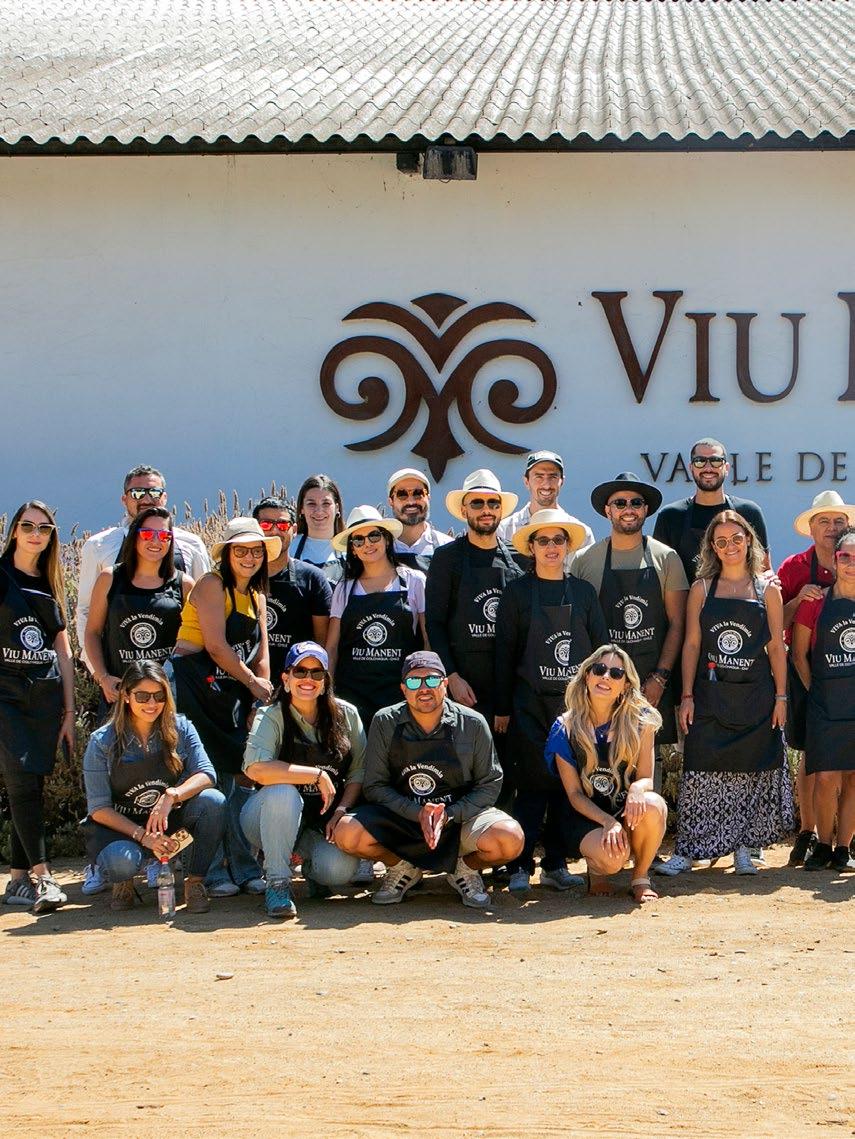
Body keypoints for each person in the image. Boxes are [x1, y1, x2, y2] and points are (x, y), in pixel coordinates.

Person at [660, 511, 793, 877]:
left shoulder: (768, 589)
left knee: (750, 771)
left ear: (748, 540)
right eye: (721, 541)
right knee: (700, 769)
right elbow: (691, 644)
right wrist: (687, 695)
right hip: (709, 697)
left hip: (756, 696)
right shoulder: (702, 589)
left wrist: (782, 698)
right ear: (713, 548)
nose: (730, 546)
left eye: (737, 538)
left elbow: (776, 648)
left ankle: (744, 850)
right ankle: (689, 850)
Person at [334, 652, 523, 908]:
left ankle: (464, 869)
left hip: (458, 821)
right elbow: (375, 785)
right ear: (403, 689)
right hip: (402, 820)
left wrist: (449, 814)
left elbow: (490, 782)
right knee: (347, 833)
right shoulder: (385, 721)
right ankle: (402, 868)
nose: (423, 688)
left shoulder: (472, 723)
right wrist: (417, 813)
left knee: (510, 838)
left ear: (445, 684)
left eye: (432, 680)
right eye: (414, 682)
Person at [494, 509, 606, 892]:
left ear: (568, 546)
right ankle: (519, 865)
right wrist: (502, 709)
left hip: (575, 709)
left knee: (565, 786)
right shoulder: (516, 593)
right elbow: (505, 654)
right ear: (531, 547)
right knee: (530, 787)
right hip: (529, 705)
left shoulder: (584, 593)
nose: (551, 547)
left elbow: (601, 651)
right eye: (543, 541)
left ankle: (556, 864)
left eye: (559, 540)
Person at [171, 516, 279, 897]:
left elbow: (261, 654)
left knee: (239, 780)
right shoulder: (211, 584)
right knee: (207, 781)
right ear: (227, 554)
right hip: (192, 690)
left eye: (256, 551)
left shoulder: (258, 596)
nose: (249, 558)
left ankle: (245, 867)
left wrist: (259, 700)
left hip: (229, 694)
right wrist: (252, 683)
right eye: (241, 550)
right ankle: (211, 871)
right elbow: (216, 646)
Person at [81, 661, 225, 913]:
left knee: (213, 802)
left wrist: (172, 795)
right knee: (121, 861)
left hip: (168, 822)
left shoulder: (181, 727)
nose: (151, 703)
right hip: (123, 829)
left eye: (159, 696)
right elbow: (99, 808)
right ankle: (123, 880)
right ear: (126, 696)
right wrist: (143, 836)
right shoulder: (102, 741)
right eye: (142, 696)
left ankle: (194, 882)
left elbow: (207, 774)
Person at [240, 641, 366, 918]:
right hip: (265, 818)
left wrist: (342, 810)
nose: (308, 679)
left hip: (319, 823)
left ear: (325, 681)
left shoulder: (347, 714)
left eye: (316, 673)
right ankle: (277, 882)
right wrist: (315, 774)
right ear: (286, 678)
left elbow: (359, 772)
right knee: (283, 792)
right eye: (300, 671)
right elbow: (255, 769)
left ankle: (311, 869)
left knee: (339, 870)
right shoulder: (270, 715)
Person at [573, 472, 688, 765]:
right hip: (602, 686)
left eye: (636, 502)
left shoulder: (666, 558)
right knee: (598, 763)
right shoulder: (585, 560)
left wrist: (660, 678)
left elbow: (677, 623)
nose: (628, 509)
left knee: (649, 767)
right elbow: (579, 628)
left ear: (645, 510)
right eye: (620, 503)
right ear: (607, 510)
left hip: (651, 687)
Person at [547, 645, 667, 902]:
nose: (605, 677)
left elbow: (646, 778)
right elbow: (574, 794)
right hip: (584, 814)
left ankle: (640, 877)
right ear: (587, 675)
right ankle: (597, 871)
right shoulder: (565, 727)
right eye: (599, 669)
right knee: (612, 860)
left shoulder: (641, 721)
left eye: (616, 673)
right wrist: (607, 822)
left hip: (624, 810)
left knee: (654, 804)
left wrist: (637, 789)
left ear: (626, 684)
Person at [0, 501, 75, 913]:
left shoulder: (49, 582)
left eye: (44, 529)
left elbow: (64, 653)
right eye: (28, 525)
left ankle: (17, 880)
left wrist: (69, 712)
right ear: (14, 530)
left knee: (31, 785)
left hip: (43, 698)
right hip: (6, 696)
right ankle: (44, 877)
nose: (35, 534)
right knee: (21, 783)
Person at [778, 491, 855, 866]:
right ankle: (810, 833)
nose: (831, 527)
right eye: (823, 520)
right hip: (811, 677)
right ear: (811, 528)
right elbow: (779, 627)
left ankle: (845, 844)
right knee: (815, 762)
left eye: (838, 521)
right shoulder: (794, 569)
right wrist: (798, 601)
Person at [426, 468, 523, 728]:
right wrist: (452, 677)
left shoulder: (520, 558)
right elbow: (435, 624)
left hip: (512, 689)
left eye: (493, 503)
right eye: (477, 503)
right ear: (464, 510)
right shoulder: (446, 559)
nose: (486, 509)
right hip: (463, 690)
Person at [76, 464, 209, 650]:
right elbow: (85, 610)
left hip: (177, 662)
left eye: (154, 492)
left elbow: (205, 606)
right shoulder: (99, 546)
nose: (146, 499)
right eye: (137, 493)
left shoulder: (191, 544)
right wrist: (94, 664)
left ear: (164, 497)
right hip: (120, 663)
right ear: (124, 499)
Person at [84, 506, 193, 713]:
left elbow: (195, 640)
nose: (156, 541)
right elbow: (92, 632)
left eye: (164, 535)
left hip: (166, 699)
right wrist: (103, 677)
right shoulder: (109, 578)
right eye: (147, 534)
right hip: (119, 695)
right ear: (134, 536)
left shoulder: (184, 584)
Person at [326, 506, 426, 728]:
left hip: (400, 695)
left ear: (387, 539)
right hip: (351, 697)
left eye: (374, 535)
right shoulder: (344, 589)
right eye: (358, 540)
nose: (367, 544)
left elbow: (427, 641)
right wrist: (327, 695)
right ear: (352, 549)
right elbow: (332, 648)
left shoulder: (415, 581)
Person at [653, 438, 770, 581]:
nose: (708, 468)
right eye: (700, 461)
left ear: (726, 468)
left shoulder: (749, 512)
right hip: (686, 596)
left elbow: (764, 569)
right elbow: (659, 575)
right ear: (691, 468)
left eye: (716, 461)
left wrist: (770, 579)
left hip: (741, 595)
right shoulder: (670, 516)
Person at [252, 496, 332, 678]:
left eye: (282, 525)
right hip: (245, 684)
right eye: (266, 525)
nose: (274, 531)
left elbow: (322, 643)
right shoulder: (241, 577)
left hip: (298, 684)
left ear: (294, 530)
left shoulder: (313, 579)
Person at [498, 450, 594, 561]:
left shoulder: (582, 535)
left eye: (553, 477)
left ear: (562, 481)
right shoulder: (504, 530)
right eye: (539, 476)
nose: (546, 485)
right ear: (526, 481)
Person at [386, 467, 453, 572]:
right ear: (391, 501)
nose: (411, 501)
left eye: (418, 493)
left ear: (428, 497)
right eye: (402, 494)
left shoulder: (448, 547)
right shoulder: (379, 549)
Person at [292, 474, 346, 583]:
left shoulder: (350, 550)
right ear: (302, 509)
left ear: (337, 508)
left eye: (326, 503)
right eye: (311, 504)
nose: (319, 511)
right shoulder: (290, 548)